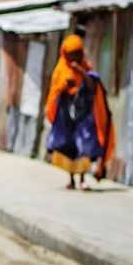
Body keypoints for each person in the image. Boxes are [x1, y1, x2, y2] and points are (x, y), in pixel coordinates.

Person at [44, 34, 114, 190]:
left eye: (77, 53)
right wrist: (64, 87)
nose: (74, 57)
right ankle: (71, 179)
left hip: (83, 118)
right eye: (71, 53)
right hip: (66, 118)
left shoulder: (86, 69)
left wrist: (80, 72)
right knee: (69, 148)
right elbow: (54, 93)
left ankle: (82, 178)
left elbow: (93, 86)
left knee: (84, 147)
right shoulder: (60, 71)